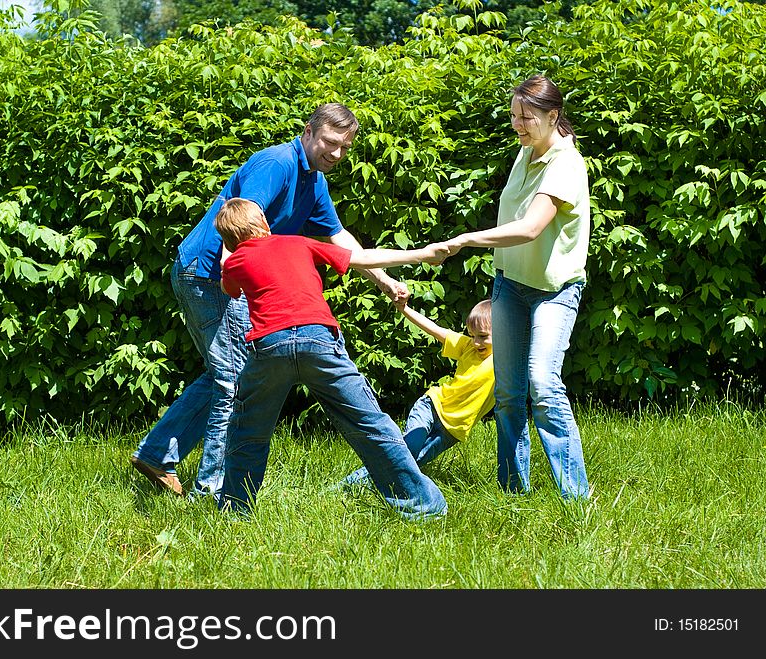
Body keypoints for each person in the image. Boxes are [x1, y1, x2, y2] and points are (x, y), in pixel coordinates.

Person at [130, 103, 412, 500]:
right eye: (330, 143)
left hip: (231, 278)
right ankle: (212, 491)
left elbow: (338, 238)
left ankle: (158, 453)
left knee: (225, 372)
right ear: (309, 132)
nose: (336, 153)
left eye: (345, 147)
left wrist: (384, 280)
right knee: (233, 378)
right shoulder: (276, 164)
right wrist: (232, 270)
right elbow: (244, 218)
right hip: (210, 274)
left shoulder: (315, 183)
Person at [214, 197, 449, 520]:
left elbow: (230, 291)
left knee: (247, 431)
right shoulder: (298, 243)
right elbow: (361, 258)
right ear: (265, 224)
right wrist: (422, 254)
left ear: (228, 239)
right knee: (369, 422)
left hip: (269, 346)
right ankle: (421, 506)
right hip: (318, 338)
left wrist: (229, 251)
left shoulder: (235, 261)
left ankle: (234, 511)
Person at [444, 74, 590, 499]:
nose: (518, 125)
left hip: (554, 291)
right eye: (514, 116)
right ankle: (512, 493)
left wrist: (465, 239)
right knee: (509, 394)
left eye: (527, 118)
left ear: (553, 116)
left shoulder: (567, 164)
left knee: (542, 385)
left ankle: (576, 498)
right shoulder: (524, 153)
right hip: (509, 286)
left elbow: (529, 228)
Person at [341, 299, 494, 488]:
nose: (476, 342)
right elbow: (434, 329)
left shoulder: (504, 362)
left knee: (410, 464)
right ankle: (349, 485)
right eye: (472, 335)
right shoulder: (467, 347)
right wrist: (405, 309)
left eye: (482, 336)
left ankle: (373, 486)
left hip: (453, 431)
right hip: (432, 406)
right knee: (407, 451)